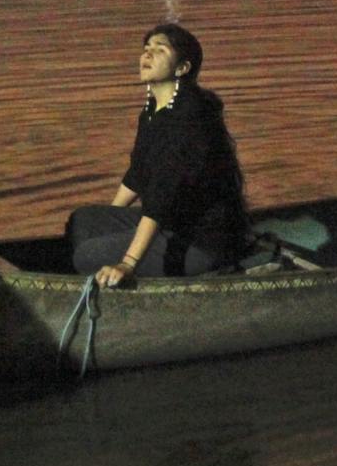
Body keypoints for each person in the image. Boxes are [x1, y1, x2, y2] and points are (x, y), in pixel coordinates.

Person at [69, 23, 252, 286]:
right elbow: (137, 175)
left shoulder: (189, 118)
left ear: (182, 68)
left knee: (88, 255)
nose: (147, 55)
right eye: (146, 49)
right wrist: (108, 223)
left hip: (202, 241)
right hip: (169, 221)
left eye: (160, 49)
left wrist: (127, 262)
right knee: (83, 221)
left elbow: (161, 197)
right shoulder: (153, 111)